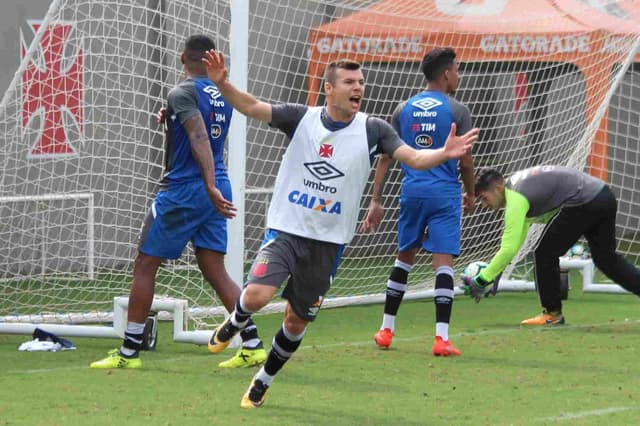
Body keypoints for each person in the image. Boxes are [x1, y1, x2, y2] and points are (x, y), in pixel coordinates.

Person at [201, 50, 479, 408]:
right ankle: (236, 320)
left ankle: (262, 380)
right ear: (328, 90)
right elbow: (253, 107)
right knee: (257, 296)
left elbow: (412, 157)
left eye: (360, 82)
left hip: (328, 245)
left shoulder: (374, 129)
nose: (358, 87)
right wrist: (222, 83)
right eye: (349, 82)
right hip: (288, 229)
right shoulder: (302, 118)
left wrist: (443, 153)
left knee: (296, 322)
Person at [90, 35, 266, 370]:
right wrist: (172, 118)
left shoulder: (181, 92)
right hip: (217, 186)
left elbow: (198, 134)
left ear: (182, 56)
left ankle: (129, 352)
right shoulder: (222, 95)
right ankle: (253, 344)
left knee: (145, 264)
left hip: (187, 189)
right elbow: (199, 128)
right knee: (214, 268)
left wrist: (208, 184)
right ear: (212, 58)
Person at [361, 48, 474, 356]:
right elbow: (464, 161)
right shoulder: (457, 110)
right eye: (457, 70)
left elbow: (386, 158)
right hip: (445, 193)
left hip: (412, 193)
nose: (459, 76)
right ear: (446, 73)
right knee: (443, 264)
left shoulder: (403, 109)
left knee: (404, 259)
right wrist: (472, 192)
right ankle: (441, 338)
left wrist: (375, 200)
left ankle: (386, 329)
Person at [465, 165, 640, 324]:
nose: (483, 205)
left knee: (544, 253)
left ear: (497, 189)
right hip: (603, 195)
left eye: (484, 198)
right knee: (606, 259)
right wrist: (496, 270)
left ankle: (552, 313)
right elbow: (517, 240)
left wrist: (481, 279)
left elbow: (509, 248)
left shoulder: (516, 197)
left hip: (584, 201)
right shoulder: (518, 186)